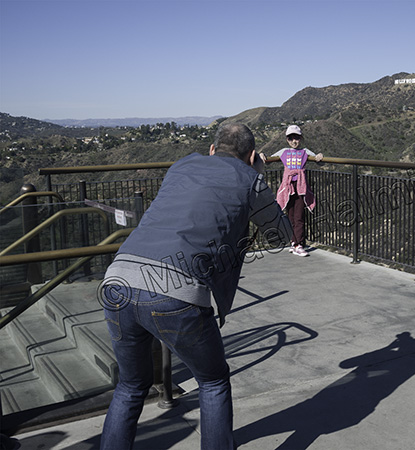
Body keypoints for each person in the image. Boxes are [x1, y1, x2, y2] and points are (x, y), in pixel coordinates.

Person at [99, 123, 293, 450]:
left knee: (130, 387)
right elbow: (281, 236)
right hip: (175, 292)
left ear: (213, 149)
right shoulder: (250, 178)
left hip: (118, 279)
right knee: (213, 381)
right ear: (250, 156)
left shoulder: (182, 165)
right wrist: (257, 175)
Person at [260, 125, 323, 257]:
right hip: (288, 188)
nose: (294, 141)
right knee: (290, 216)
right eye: (291, 138)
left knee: (298, 216)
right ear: (287, 139)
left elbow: (318, 160)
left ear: (301, 138)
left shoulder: (305, 152)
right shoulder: (283, 151)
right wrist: (262, 155)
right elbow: (268, 160)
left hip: (300, 187)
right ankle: (294, 242)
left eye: (297, 138)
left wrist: (319, 156)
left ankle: (297, 243)